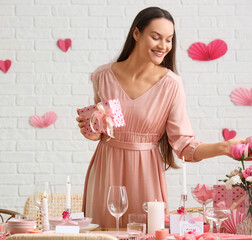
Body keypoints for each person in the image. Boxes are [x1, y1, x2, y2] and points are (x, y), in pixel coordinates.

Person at [76, 6, 243, 228]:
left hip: (145, 176)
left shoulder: (171, 84)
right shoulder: (103, 76)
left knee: (147, 231)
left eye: (169, 39)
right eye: (156, 37)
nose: (163, 46)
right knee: (104, 233)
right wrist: (91, 129)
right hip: (105, 172)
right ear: (136, 34)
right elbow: (104, 131)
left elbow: (184, 145)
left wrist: (223, 147)